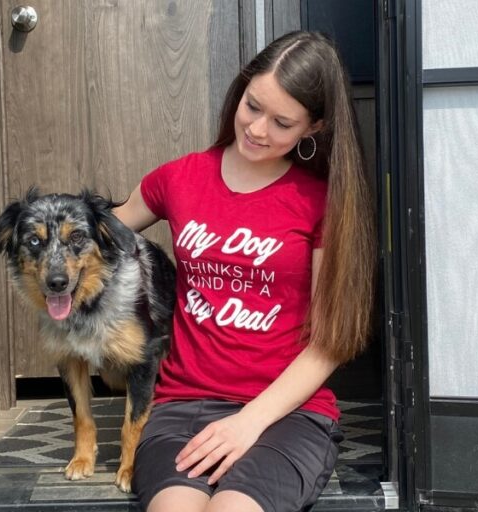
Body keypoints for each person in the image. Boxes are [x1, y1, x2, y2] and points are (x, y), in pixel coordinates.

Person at [113, 30, 375, 512]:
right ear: (242, 89)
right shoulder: (179, 178)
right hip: (183, 404)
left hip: (286, 413)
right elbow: (99, 230)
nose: (257, 129)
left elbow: (329, 343)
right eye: (252, 106)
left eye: (281, 122)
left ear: (312, 128)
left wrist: (248, 421)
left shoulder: (320, 203)